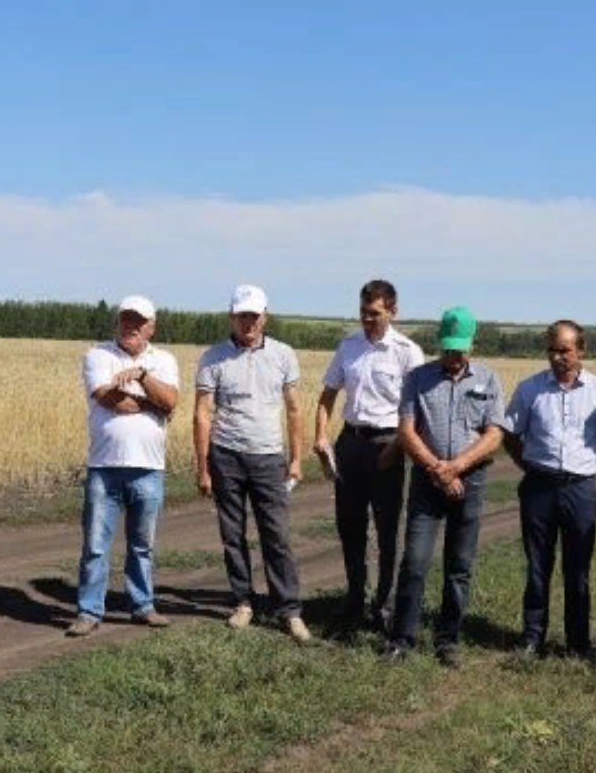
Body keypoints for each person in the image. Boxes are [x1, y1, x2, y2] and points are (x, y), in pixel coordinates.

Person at [386, 306, 505, 668]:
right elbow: (406, 430)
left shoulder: (489, 380)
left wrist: (456, 468)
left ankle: (447, 639)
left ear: (473, 344)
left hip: (472, 479)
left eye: (460, 350)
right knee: (416, 561)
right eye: (448, 349)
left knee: (459, 564)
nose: (453, 357)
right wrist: (437, 469)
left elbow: (494, 434)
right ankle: (401, 638)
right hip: (426, 480)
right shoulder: (418, 378)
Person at [194, 284, 311, 643]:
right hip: (226, 455)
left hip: (267, 456)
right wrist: (203, 466)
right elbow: (202, 414)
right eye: (241, 315)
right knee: (233, 535)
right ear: (232, 317)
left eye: (254, 316)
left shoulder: (283, 355)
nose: (248, 322)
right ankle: (243, 601)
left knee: (276, 535)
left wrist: (296, 459)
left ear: (265, 317)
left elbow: (294, 410)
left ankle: (289, 610)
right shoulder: (213, 358)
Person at [500, 320, 596, 658]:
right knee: (538, 565)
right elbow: (510, 435)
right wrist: (529, 465)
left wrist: (588, 466)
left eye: (565, 350)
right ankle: (532, 637)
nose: (558, 357)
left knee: (578, 567)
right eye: (552, 350)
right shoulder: (529, 390)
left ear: (580, 351)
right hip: (539, 486)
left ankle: (578, 642)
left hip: (580, 488)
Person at [65, 296, 182, 637]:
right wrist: (152, 404)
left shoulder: (163, 360)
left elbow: (172, 401)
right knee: (96, 545)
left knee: (142, 544)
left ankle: (143, 606)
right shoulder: (98, 355)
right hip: (105, 465)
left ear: (151, 327)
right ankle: (89, 611)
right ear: (116, 323)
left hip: (149, 466)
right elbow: (108, 397)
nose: (130, 327)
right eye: (125, 320)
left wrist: (143, 376)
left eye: (138, 321)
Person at [313, 279, 425, 631]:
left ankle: (384, 603)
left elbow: (416, 410)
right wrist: (320, 435)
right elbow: (328, 395)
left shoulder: (408, 352)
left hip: (388, 444)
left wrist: (397, 448)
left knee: (387, 527)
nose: (367, 319)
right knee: (350, 526)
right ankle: (355, 598)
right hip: (351, 443)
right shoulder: (348, 347)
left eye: (374, 313)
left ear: (393, 310)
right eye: (363, 313)